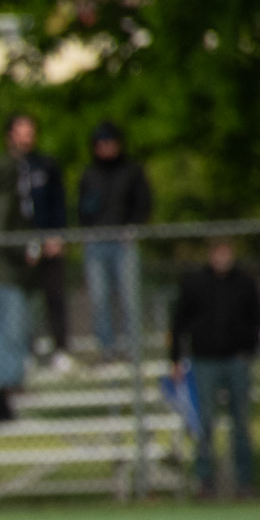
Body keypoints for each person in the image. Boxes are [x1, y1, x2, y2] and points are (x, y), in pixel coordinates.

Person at [0, 113, 70, 387]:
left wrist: (56, 235)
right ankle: (8, 379)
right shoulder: (1, 174)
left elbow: (57, 203)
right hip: (15, 259)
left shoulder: (44, 166)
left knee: (49, 301)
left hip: (41, 248)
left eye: (30, 132)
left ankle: (57, 351)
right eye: (21, 132)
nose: (26, 138)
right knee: (12, 323)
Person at [169, 238, 260, 496]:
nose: (222, 258)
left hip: (236, 359)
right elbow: (178, 322)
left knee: (241, 423)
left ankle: (245, 482)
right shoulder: (195, 283)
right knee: (205, 422)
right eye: (218, 253)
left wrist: (250, 351)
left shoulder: (245, 284)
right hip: (204, 360)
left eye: (227, 253)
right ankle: (204, 481)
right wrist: (176, 358)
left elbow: (258, 321)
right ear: (211, 255)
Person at [77, 121, 154, 359]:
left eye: (110, 143)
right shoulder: (90, 173)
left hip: (123, 242)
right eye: (101, 144)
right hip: (96, 242)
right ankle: (107, 349)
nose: (106, 149)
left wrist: (133, 226)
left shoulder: (131, 171)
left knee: (129, 297)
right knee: (99, 299)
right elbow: (81, 207)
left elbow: (143, 202)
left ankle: (133, 348)